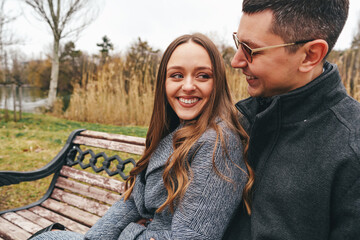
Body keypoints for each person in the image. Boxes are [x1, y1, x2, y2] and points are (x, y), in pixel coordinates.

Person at [31, 33, 253, 240]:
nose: (187, 86)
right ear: (163, 82)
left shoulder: (218, 143)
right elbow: (133, 202)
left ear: (218, 83)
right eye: (176, 75)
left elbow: (191, 236)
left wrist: (132, 232)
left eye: (203, 76)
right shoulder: (174, 130)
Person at [223, 0, 360, 239]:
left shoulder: (352, 153)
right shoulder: (239, 123)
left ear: (310, 55)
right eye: (238, 42)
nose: (236, 61)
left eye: (251, 49)